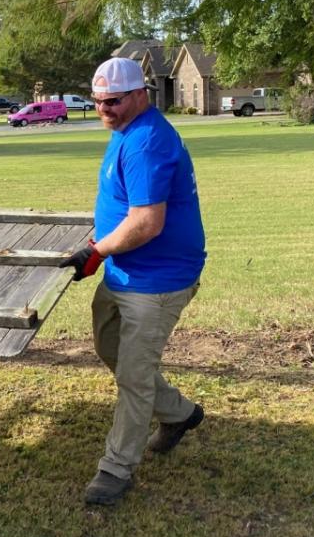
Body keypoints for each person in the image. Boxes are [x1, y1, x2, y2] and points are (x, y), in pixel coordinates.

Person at [59, 56, 207, 506]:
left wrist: (97, 250)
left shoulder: (147, 141)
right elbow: (122, 207)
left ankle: (115, 469)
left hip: (157, 280)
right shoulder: (125, 131)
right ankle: (180, 414)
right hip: (123, 272)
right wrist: (98, 243)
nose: (105, 109)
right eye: (100, 101)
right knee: (110, 348)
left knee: (134, 375)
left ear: (141, 94)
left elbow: (146, 222)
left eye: (115, 101)